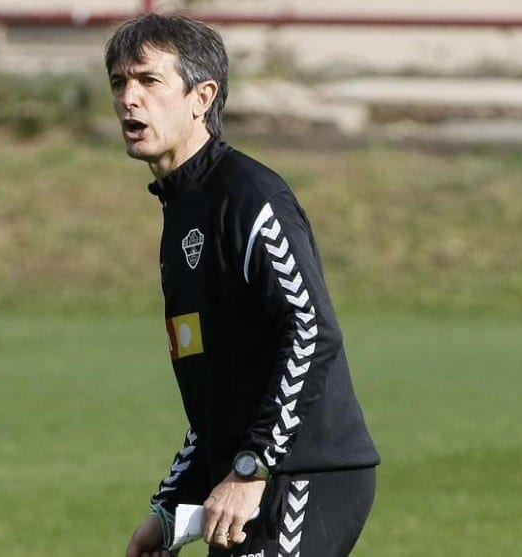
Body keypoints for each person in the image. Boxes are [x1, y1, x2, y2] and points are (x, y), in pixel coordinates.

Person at [105, 14, 381, 557]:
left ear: (201, 96)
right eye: (119, 83)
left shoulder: (249, 197)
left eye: (147, 81)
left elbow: (310, 330)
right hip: (243, 479)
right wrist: (170, 508)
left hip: (302, 473)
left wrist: (254, 465)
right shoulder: (182, 211)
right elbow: (215, 392)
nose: (128, 99)